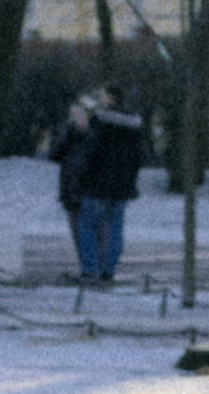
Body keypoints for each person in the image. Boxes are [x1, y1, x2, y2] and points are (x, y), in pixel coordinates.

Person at [51, 84, 142, 283]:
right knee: (115, 228)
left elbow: (85, 154)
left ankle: (91, 270)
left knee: (87, 227)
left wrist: (81, 180)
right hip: (122, 187)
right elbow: (138, 157)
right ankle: (108, 270)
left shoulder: (98, 123)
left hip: (96, 184)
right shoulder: (134, 125)